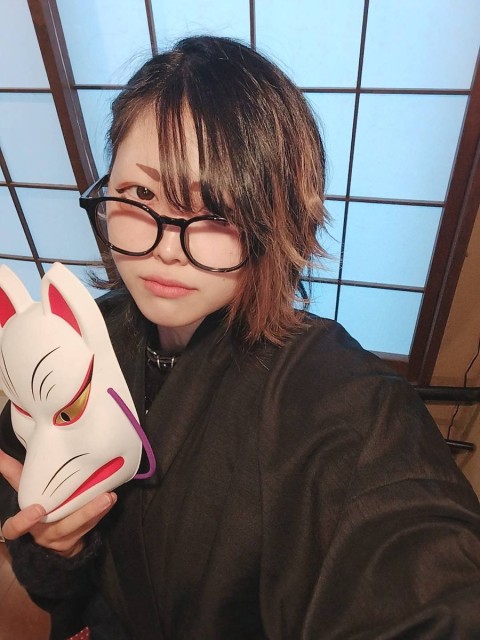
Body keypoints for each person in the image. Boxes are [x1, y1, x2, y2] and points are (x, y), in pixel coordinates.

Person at [1, 35, 480, 640]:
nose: (166, 248)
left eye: (218, 212)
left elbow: (420, 576)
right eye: (141, 195)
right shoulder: (84, 335)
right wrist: (57, 550)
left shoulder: (336, 398)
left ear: (277, 220)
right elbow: (59, 576)